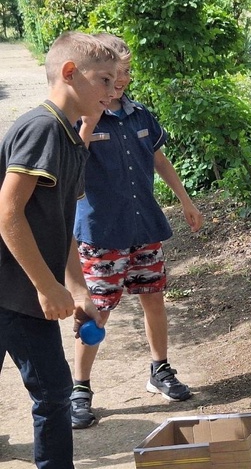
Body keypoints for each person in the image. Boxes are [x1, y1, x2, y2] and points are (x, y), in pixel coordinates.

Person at [69, 34, 204, 429]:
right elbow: (71, 165)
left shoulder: (140, 114)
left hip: (144, 226)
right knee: (96, 311)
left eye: (126, 71)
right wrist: (89, 123)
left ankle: (160, 369)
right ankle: (80, 388)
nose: (121, 79)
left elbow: (159, 159)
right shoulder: (80, 117)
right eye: (113, 73)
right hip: (100, 233)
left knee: (154, 299)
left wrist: (185, 200)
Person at [0, 31, 118, 469]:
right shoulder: (42, 128)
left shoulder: (70, 139)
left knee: (54, 393)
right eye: (104, 80)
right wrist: (47, 286)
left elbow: (60, 223)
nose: (112, 91)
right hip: (12, 289)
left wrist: (78, 288)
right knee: (53, 393)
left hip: (26, 295)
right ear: (70, 73)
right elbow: (8, 213)